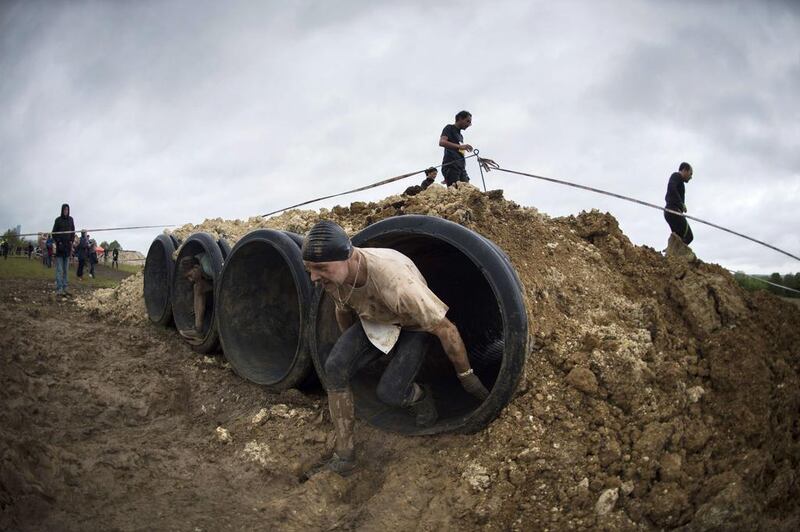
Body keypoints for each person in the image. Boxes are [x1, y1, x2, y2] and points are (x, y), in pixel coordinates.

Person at [302, 220, 490, 476]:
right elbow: (342, 309)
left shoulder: (399, 286)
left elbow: (447, 330)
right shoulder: (334, 278)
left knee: (390, 392)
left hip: (414, 326)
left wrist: (468, 379)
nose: (314, 277)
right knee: (334, 367)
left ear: (347, 256)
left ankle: (422, 397)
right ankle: (345, 455)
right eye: (309, 269)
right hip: (377, 319)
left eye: (320, 268)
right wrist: (361, 353)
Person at [178, 255, 214, 341]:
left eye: (190, 275)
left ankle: (199, 330)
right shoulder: (198, 262)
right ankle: (198, 331)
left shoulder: (208, 267)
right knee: (198, 286)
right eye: (187, 278)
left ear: (196, 267)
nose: (190, 280)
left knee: (198, 286)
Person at [664, 162, 694, 256]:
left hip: (671, 211)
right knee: (689, 236)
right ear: (684, 170)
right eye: (690, 173)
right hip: (673, 210)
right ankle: (674, 255)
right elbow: (671, 187)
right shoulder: (676, 176)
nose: (691, 177)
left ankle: (671, 254)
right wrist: (680, 203)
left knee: (678, 238)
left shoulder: (680, 182)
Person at [439, 111, 474, 186]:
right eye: (467, 121)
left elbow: (459, 150)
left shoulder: (460, 136)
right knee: (456, 193)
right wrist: (460, 146)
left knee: (468, 191)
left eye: (470, 123)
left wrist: (462, 148)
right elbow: (442, 142)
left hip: (461, 168)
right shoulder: (449, 128)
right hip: (451, 166)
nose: (468, 124)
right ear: (460, 118)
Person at [52, 203, 75, 298]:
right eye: (64, 210)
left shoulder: (71, 220)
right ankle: (59, 288)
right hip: (60, 249)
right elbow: (54, 233)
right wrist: (59, 242)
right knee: (59, 270)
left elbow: (73, 232)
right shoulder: (58, 220)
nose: (66, 211)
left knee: (66, 270)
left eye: (67, 210)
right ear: (62, 210)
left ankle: (65, 287)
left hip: (67, 249)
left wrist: (71, 241)